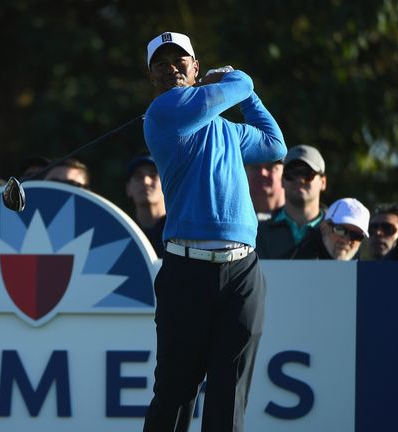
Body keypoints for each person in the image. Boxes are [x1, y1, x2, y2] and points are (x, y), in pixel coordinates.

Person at [141, 32, 286, 432]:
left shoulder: (227, 131)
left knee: (229, 397)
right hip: (187, 272)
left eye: (179, 60)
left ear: (195, 68)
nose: (171, 68)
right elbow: (237, 87)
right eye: (161, 63)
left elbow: (275, 145)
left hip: (242, 272)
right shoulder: (163, 112)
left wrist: (246, 97)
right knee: (175, 392)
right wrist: (238, 80)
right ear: (152, 77)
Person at [255, 145, 328, 258]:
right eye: (291, 173)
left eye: (307, 174)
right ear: (282, 180)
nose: (299, 180)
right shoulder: (257, 233)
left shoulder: (341, 234)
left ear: (323, 182)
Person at [286, 197, 370, 260]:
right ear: (324, 227)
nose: (345, 240)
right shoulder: (296, 261)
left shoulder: (363, 267)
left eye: (356, 236)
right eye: (340, 230)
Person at [125, 153, 166, 256]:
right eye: (138, 177)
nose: (146, 181)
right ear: (128, 188)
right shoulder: (122, 233)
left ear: (166, 183)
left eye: (153, 175)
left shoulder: (181, 231)